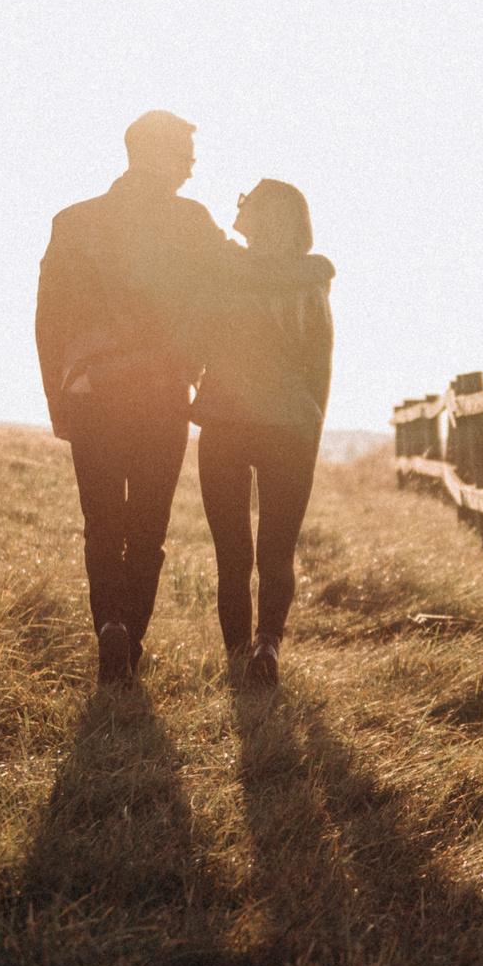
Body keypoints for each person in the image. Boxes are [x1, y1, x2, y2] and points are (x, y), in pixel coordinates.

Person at [35, 110, 229, 685]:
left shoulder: (73, 222)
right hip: (163, 394)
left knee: (102, 524)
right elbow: (226, 299)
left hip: (91, 394)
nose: (193, 172)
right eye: (187, 157)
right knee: (147, 529)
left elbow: (49, 321)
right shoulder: (193, 223)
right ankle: (128, 636)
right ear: (156, 153)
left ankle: (109, 630)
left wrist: (60, 400)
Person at [193, 178, 334, 687]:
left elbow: (198, 335)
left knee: (232, 554)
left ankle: (237, 659)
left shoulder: (223, 269)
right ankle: (267, 645)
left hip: (225, 420)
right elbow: (319, 366)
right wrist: (312, 427)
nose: (238, 205)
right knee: (277, 553)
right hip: (292, 426)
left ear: (264, 215)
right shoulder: (312, 281)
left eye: (245, 200)